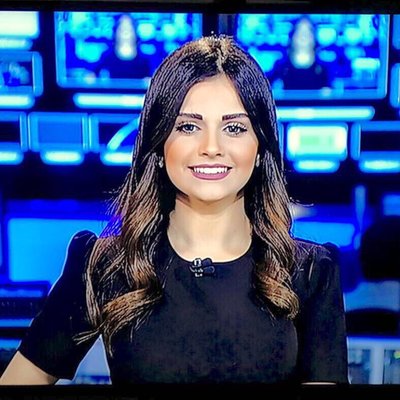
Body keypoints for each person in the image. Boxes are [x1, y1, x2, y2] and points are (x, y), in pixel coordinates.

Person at [0, 35, 348, 385]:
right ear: (159, 143)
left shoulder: (310, 273)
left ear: (260, 148)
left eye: (234, 128)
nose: (211, 147)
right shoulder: (105, 266)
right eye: (188, 126)